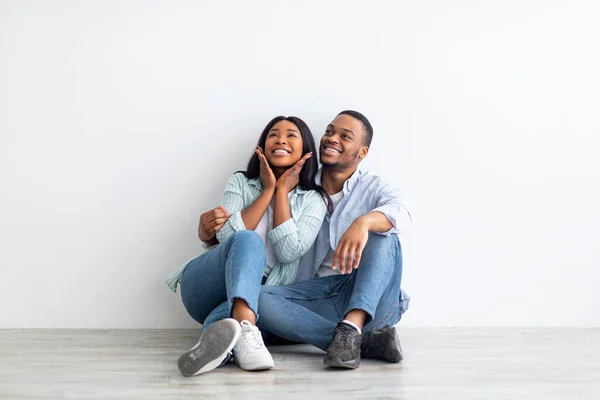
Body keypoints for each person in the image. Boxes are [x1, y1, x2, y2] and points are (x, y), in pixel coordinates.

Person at [165, 116, 330, 377]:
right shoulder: (240, 182)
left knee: (225, 318)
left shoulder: (315, 200)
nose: (281, 140)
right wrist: (268, 191)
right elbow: (226, 237)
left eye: (291, 135)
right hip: (205, 284)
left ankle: (220, 348)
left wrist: (282, 194)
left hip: (255, 294)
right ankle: (247, 328)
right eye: (273, 134)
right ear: (262, 147)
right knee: (247, 239)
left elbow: (290, 250)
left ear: (306, 151)